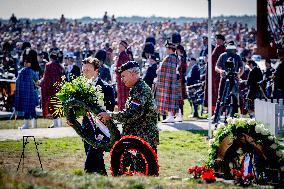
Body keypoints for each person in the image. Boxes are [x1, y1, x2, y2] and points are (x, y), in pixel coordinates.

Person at [99, 61, 159, 150]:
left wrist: (110, 115)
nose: (122, 79)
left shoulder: (141, 90)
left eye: (123, 76)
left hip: (143, 140)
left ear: (133, 74)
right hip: (138, 138)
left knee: (142, 164)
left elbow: (131, 114)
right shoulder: (136, 89)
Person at [73, 56, 115, 175]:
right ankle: (101, 178)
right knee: (92, 154)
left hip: (101, 128)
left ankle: (88, 175)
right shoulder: (79, 87)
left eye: (88, 70)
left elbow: (110, 109)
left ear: (96, 71)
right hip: (87, 126)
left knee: (92, 155)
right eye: (83, 70)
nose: (84, 72)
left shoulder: (106, 87)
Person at [213, 41, 244, 123]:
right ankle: (216, 118)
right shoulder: (223, 56)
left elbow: (242, 67)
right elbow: (216, 67)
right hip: (224, 78)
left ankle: (234, 118)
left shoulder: (237, 57)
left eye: (232, 49)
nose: (230, 51)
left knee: (234, 98)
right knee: (220, 98)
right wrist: (221, 71)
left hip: (234, 79)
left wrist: (239, 74)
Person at [15, 48, 41, 129]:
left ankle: (26, 125)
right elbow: (37, 83)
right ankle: (34, 125)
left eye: (26, 62)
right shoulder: (33, 72)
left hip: (25, 93)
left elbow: (17, 82)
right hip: (32, 93)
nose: (25, 63)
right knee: (32, 109)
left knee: (26, 109)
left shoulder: (21, 72)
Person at [155, 40, 179, 123]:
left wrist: (158, 71)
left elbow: (163, 70)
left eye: (166, 49)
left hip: (167, 82)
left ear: (169, 49)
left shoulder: (169, 58)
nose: (165, 50)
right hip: (171, 82)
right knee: (173, 99)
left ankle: (171, 116)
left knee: (169, 99)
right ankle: (175, 115)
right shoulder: (175, 58)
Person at [40, 49, 64, 128]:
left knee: (52, 106)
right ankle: (58, 124)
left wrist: (41, 83)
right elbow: (63, 77)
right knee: (58, 105)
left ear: (50, 58)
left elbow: (46, 78)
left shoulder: (48, 65)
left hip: (50, 89)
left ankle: (55, 124)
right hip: (58, 88)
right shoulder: (60, 66)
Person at [204, 34, 226, 113]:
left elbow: (217, 62)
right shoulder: (218, 48)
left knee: (216, 93)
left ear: (220, 40)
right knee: (214, 93)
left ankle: (217, 111)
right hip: (213, 74)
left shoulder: (221, 48)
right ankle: (214, 111)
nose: (216, 41)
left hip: (216, 74)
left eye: (217, 40)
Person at [115, 40, 130, 111]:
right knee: (121, 97)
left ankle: (123, 111)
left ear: (124, 47)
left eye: (121, 46)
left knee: (123, 97)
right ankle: (122, 111)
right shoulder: (122, 55)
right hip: (121, 79)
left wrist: (116, 70)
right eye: (119, 46)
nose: (119, 48)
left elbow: (123, 68)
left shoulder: (124, 56)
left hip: (123, 80)